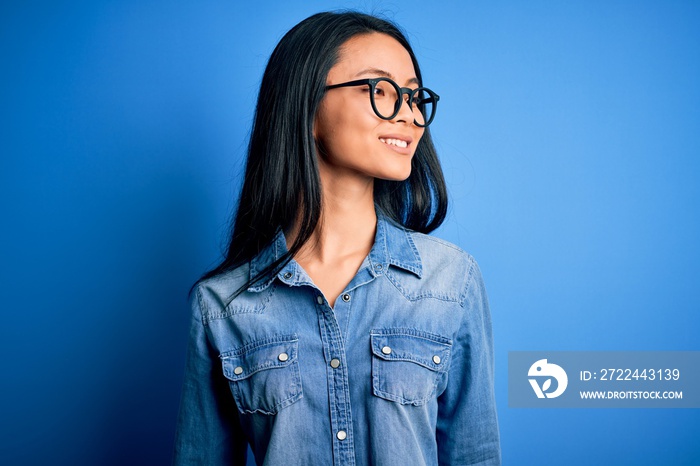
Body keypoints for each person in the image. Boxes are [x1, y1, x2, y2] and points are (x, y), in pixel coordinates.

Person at [174, 11, 501, 466]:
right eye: (381, 90)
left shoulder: (451, 281)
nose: (409, 115)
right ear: (306, 108)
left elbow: (476, 456)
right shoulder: (221, 305)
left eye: (413, 96)